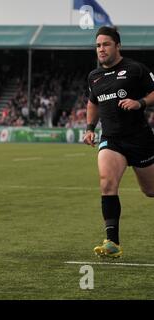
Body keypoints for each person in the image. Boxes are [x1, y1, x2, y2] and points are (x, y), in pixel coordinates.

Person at [83, 26, 154, 258]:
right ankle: (112, 242)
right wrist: (90, 128)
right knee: (106, 183)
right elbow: (93, 102)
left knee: (150, 191)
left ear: (117, 46)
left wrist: (140, 103)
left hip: (140, 140)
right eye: (98, 45)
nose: (101, 49)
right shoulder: (94, 76)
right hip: (112, 140)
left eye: (105, 44)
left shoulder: (135, 69)